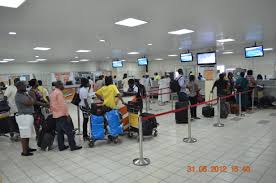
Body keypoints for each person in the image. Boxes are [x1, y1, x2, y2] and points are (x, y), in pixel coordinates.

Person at [50, 81, 82, 151]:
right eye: (62, 85)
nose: (63, 86)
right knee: (69, 131)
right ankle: (73, 146)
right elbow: (63, 105)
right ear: (59, 85)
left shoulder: (53, 93)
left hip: (56, 115)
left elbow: (51, 105)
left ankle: (61, 147)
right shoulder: (59, 93)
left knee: (60, 132)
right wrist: (67, 115)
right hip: (62, 115)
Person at [15, 81, 36, 156]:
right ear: (19, 87)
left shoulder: (23, 94)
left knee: (27, 134)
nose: (26, 87)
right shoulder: (18, 95)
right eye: (24, 85)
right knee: (24, 134)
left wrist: (31, 99)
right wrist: (32, 96)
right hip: (23, 117)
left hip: (27, 116)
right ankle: (24, 152)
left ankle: (27, 148)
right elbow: (30, 103)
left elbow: (31, 101)